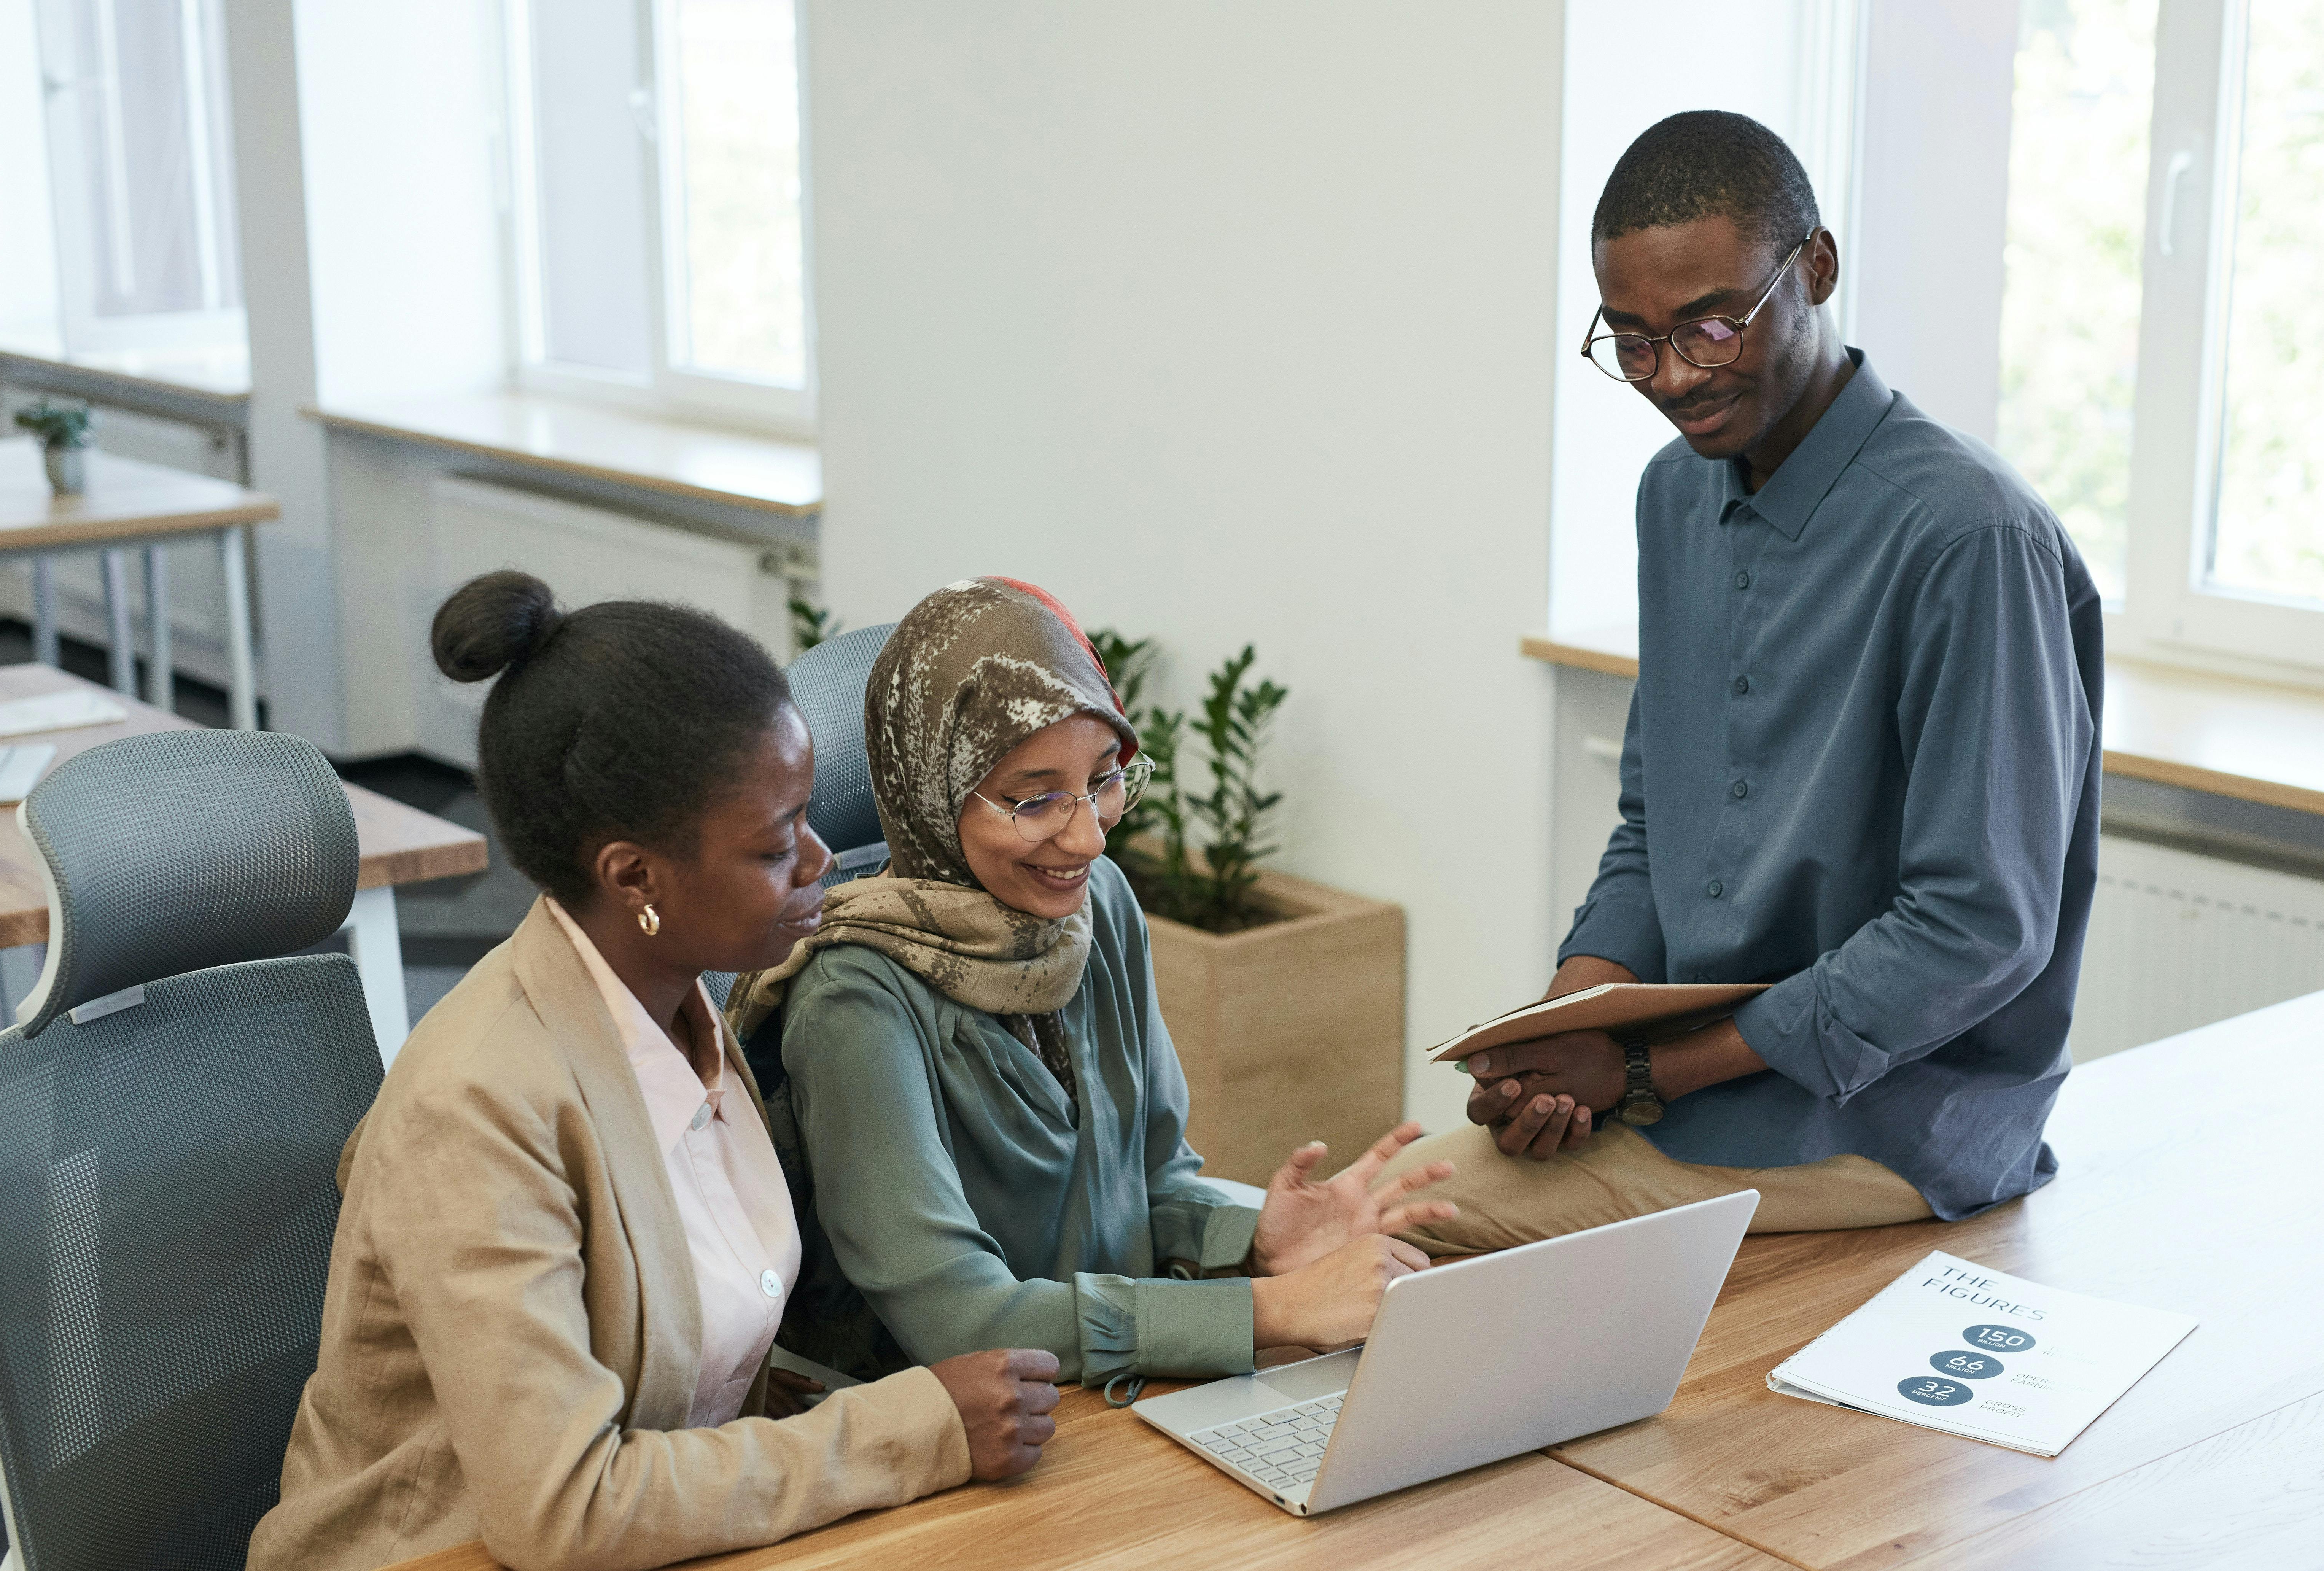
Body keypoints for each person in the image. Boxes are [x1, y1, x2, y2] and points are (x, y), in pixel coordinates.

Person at [1384, 111, 2101, 1250]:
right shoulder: (1674, 498)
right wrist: (1559, 1037)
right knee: (1380, 1216)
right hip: (1700, 1081)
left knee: (1387, 1224)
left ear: (1814, 267)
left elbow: (1976, 926)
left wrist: (1640, 1070)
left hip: (1902, 1117)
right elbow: (1651, 826)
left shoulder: (1969, 539)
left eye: (1710, 327)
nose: (1671, 376)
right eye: (1630, 340)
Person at [251, 572, 1061, 1571]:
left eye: (805, 819)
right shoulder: (479, 1105)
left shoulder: (685, 1015)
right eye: (775, 845)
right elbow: (563, 1509)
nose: (818, 862)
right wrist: (914, 1431)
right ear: (633, 875)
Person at [729, 576, 1455, 1391]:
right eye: (1034, 799)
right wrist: (1275, 1308)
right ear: (929, 792)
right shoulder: (852, 997)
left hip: (1128, 1388)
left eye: (1104, 779)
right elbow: (962, 1323)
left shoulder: (1096, 907)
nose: (1085, 835)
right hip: (965, 1436)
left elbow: (1155, 1179)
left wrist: (1254, 1238)